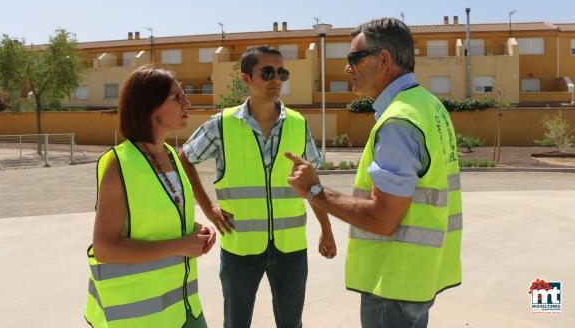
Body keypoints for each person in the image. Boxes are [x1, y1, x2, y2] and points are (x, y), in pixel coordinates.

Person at [285, 18, 462, 328]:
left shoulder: (398, 121)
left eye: (355, 58)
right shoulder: (429, 105)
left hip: (393, 284)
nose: (347, 69)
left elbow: (383, 218)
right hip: (417, 278)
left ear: (384, 60)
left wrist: (316, 191)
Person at [179, 46, 337, 328]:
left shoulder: (298, 125)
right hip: (241, 247)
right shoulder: (222, 125)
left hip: (290, 249)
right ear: (246, 78)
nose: (276, 79)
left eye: (281, 72)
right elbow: (185, 158)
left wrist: (326, 229)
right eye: (267, 72)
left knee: (291, 324)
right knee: (236, 323)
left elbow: (312, 183)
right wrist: (207, 207)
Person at [84, 66, 216, 327]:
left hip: (184, 307)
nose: (187, 102)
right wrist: (180, 245)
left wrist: (196, 231)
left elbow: (158, 220)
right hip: (138, 317)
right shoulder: (118, 163)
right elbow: (105, 248)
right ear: (150, 105)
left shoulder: (171, 156)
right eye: (177, 97)